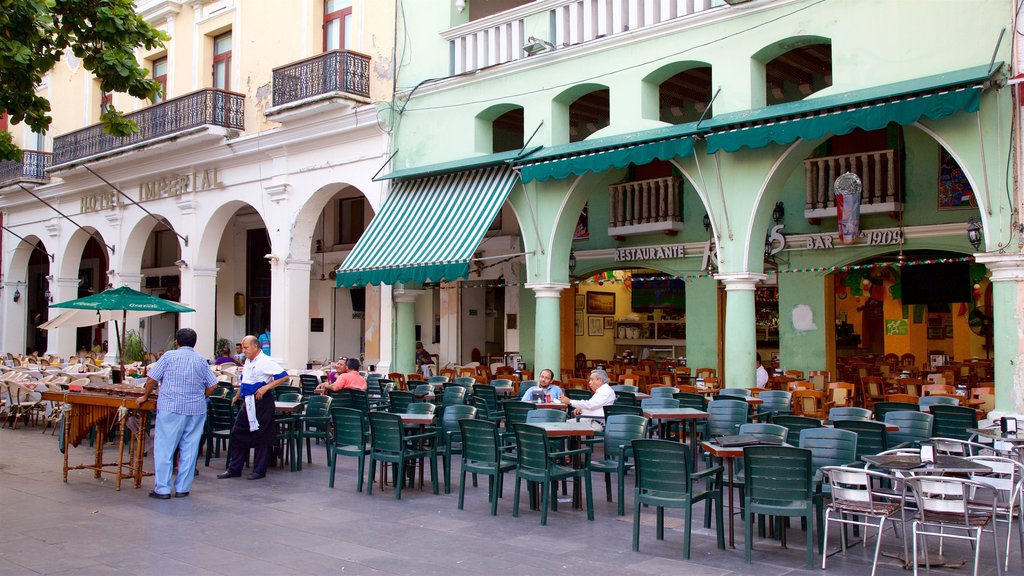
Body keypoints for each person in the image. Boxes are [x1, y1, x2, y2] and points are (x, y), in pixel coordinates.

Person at [136, 328, 218, 499]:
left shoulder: (168, 356)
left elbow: (152, 379)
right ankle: (182, 488)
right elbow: (213, 385)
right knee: (190, 449)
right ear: (194, 343)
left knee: (165, 448)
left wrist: (145, 395)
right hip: (195, 409)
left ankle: (163, 488)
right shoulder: (201, 360)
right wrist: (201, 396)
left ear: (177, 342)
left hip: (171, 407)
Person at [218, 335, 288, 481]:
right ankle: (234, 468)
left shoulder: (266, 361)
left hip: (261, 401)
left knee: (262, 435)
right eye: (242, 347)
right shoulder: (248, 361)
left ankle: (259, 470)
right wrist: (237, 395)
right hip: (247, 401)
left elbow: (283, 376)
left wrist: (266, 387)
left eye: (246, 347)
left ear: (255, 347)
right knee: (238, 432)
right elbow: (245, 380)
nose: (243, 351)